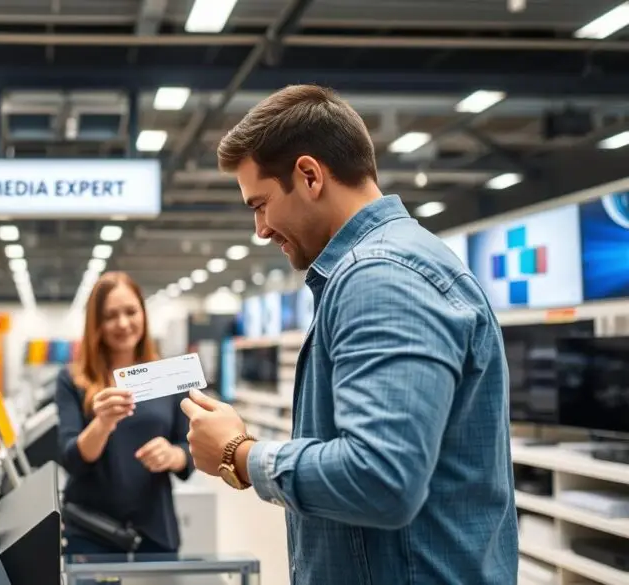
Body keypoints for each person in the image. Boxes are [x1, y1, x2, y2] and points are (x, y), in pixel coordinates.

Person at [180, 84, 518, 585]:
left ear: (310, 175)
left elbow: (382, 478)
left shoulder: (380, 277)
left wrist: (241, 454)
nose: (260, 229)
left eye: (260, 204)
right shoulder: (382, 268)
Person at [56, 271, 194, 556]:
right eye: (110, 316)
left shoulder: (167, 374)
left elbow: (189, 447)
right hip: (90, 529)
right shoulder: (73, 379)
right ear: (96, 323)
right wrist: (103, 422)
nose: (123, 323)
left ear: (143, 314)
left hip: (155, 527)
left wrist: (173, 455)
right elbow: (72, 458)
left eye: (131, 312)